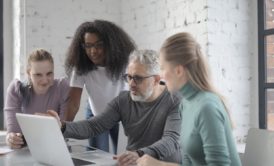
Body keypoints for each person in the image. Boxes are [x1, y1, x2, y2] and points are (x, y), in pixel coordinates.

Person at [49, 50, 182, 166]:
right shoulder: (123, 100)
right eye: (129, 77)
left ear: (156, 79)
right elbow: (94, 126)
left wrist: (139, 154)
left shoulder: (175, 100)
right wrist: (61, 126)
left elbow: (171, 140)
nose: (131, 84)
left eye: (138, 78)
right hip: (132, 162)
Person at [136, 32, 242, 166]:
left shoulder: (207, 107)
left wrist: (159, 165)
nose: (160, 75)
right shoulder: (185, 104)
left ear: (179, 71)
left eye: (162, 68)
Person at [64, 20, 136, 153]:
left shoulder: (125, 62)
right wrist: (63, 130)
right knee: (97, 156)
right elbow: (73, 103)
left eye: (99, 45)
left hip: (123, 116)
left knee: (122, 156)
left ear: (111, 44)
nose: (93, 51)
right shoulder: (81, 66)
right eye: (88, 45)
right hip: (96, 115)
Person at [4, 48, 69, 149]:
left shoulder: (62, 87)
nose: (44, 80)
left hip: (55, 149)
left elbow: (65, 130)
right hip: (26, 150)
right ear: (28, 73)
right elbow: (14, 133)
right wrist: (11, 139)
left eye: (49, 73)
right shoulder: (16, 90)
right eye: (38, 75)